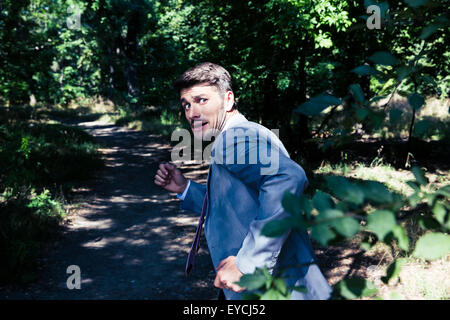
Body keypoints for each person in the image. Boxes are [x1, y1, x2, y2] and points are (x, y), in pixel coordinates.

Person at [154, 62, 332, 300]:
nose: (191, 113)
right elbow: (237, 203)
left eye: (202, 101)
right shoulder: (241, 134)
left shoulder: (235, 138)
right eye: (186, 104)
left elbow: (288, 178)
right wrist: (185, 188)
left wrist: (248, 263)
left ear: (228, 100)